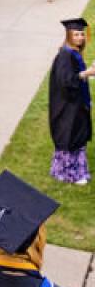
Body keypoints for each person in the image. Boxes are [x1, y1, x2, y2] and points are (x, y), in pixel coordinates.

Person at [48, 17, 95, 185]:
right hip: (68, 106)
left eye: (81, 34)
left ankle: (61, 171)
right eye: (76, 34)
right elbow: (66, 82)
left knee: (72, 136)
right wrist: (86, 74)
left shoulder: (72, 52)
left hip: (74, 103)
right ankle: (73, 174)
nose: (80, 37)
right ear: (68, 35)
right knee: (72, 136)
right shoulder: (65, 55)